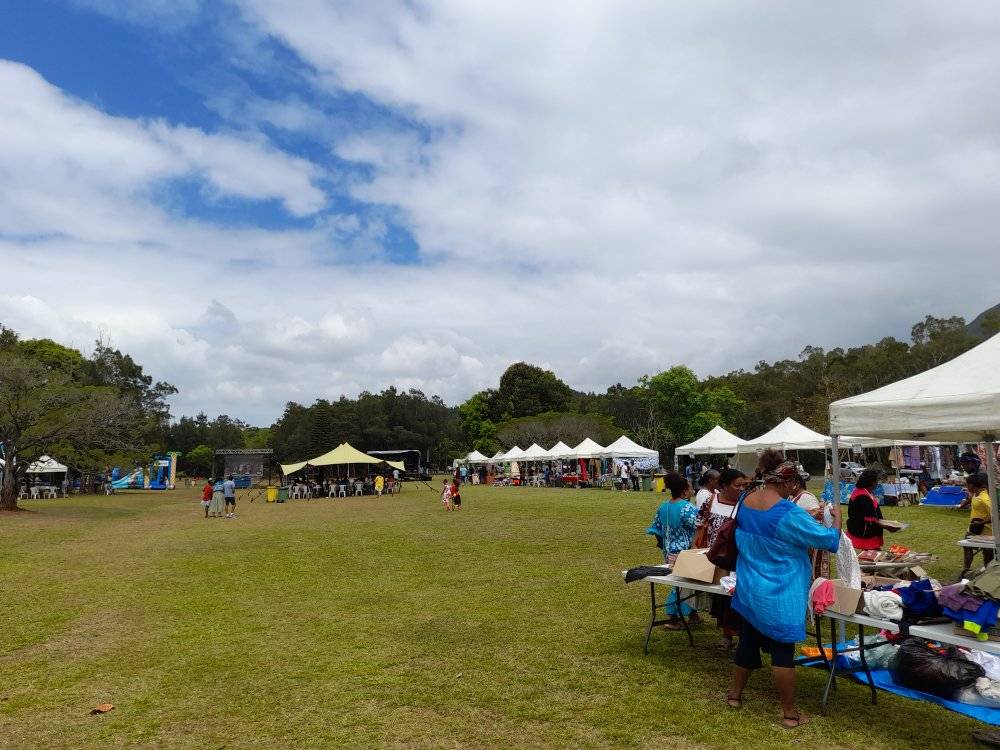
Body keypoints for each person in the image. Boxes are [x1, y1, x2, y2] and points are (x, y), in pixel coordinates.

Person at [726, 450, 841, 729]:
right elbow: (829, 540)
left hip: (750, 587)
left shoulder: (745, 500)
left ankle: (734, 695)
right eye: (795, 484)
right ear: (788, 483)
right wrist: (836, 518)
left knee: (748, 643)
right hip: (781, 592)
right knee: (782, 653)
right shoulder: (788, 513)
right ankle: (789, 712)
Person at [699, 468, 747, 651]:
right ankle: (726, 635)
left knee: (737, 598)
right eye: (737, 485)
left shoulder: (746, 505)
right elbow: (700, 525)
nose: (741, 488)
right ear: (725, 486)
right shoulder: (711, 501)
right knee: (721, 598)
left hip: (738, 559)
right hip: (717, 558)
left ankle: (743, 637)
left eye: (744, 485)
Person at [648, 472, 703, 629]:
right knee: (683, 584)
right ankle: (672, 616)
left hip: (668, 550)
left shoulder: (664, 506)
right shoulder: (687, 508)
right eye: (691, 488)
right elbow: (700, 526)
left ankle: (693, 615)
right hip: (684, 552)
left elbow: (656, 528)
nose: (693, 490)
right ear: (684, 491)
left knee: (683, 582)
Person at [959, 472, 994, 570]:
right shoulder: (976, 494)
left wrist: (981, 523)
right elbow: (971, 499)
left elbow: (995, 516)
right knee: (967, 547)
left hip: (986, 531)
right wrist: (963, 505)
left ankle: (988, 572)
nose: (966, 487)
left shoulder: (985, 498)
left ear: (973, 486)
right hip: (972, 528)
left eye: (968, 485)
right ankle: (966, 570)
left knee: (988, 553)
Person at [845, 469, 883, 550]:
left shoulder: (863, 492)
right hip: (866, 534)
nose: (877, 483)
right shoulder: (863, 496)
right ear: (872, 482)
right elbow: (870, 519)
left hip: (866, 532)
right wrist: (889, 526)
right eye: (877, 481)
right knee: (872, 557)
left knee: (869, 557)